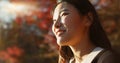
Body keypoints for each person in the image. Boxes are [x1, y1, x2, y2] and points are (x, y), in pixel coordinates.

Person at [52, 0, 119, 63]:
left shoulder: (107, 59)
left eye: (64, 14)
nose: (56, 25)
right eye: (54, 20)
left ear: (88, 19)